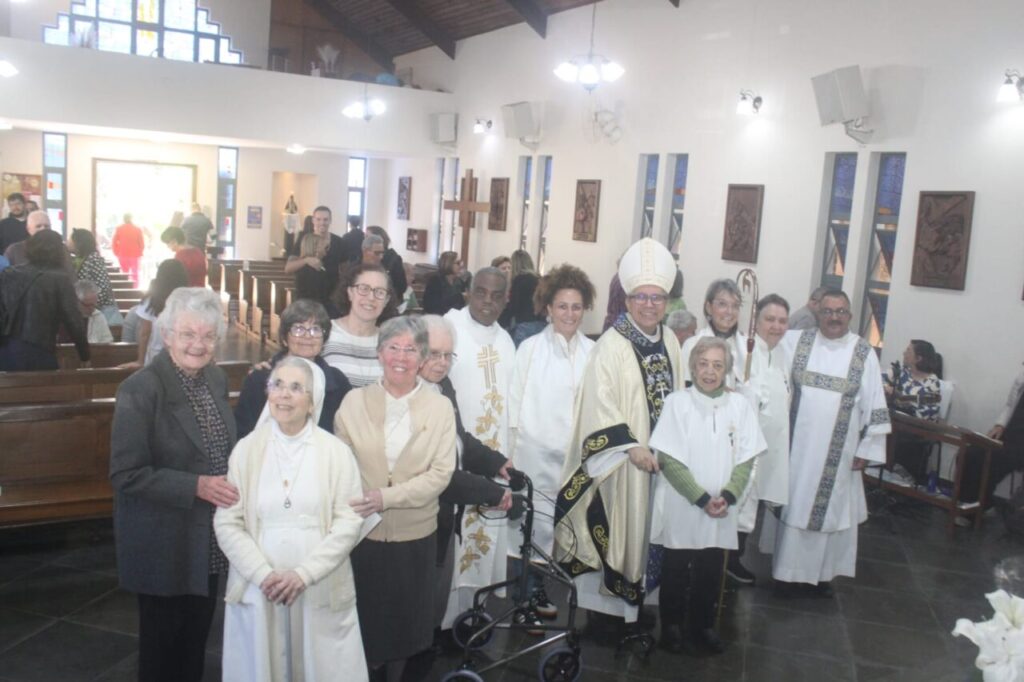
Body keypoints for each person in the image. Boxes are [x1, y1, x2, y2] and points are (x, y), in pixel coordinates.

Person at [110, 287, 237, 682]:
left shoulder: (214, 378)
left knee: (194, 642)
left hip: (206, 538)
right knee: (162, 652)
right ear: (167, 336)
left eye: (207, 336)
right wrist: (196, 486)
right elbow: (126, 474)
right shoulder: (142, 389)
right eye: (188, 334)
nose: (198, 345)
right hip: (163, 539)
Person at [554, 237, 683, 627]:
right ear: (627, 300)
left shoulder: (672, 340)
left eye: (656, 298)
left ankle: (639, 609)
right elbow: (598, 403)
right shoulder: (610, 345)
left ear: (666, 302)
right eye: (641, 297)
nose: (649, 305)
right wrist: (629, 447)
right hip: (622, 467)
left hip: (662, 464)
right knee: (619, 531)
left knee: (652, 534)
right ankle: (606, 618)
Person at [216, 357, 367, 682]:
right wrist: (262, 574)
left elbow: (349, 522)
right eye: (277, 385)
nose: (284, 395)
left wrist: (303, 574)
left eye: (296, 388)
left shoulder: (336, 453)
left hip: (318, 583)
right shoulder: (246, 450)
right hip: (260, 586)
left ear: (313, 401)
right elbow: (228, 522)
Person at [334, 316, 456, 682]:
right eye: (393, 348)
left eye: (411, 349)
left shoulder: (439, 408)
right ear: (379, 353)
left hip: (414, 537)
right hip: (364, 536)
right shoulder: (354, 402)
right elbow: (340, 464)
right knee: (365, 627)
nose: (401, 357)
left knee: (405, 633)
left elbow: (440, 475)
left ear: (421, 357)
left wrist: (385, 497)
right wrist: (361, 500)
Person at [766, 289, 890, 597]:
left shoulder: (863, 353)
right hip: (797, 451)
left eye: (841, 311)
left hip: (840, 454)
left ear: (850, 315)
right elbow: (766, 363)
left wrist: (867, 449)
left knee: (832, 513)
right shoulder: (797, 341)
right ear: (817, 312)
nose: (834, 317)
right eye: (828, 311)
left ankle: (821, 577)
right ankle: (785, 574)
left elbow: (875, 402)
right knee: (794, 505)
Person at [649, 337, 764, 655]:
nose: (710, 372)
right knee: (676, 566)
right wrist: (701, 498)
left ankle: (703, 625)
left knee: (711, 569)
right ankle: (671, 625)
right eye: (703, 364)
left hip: (721, 508)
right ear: (693, 366)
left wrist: (727, 496)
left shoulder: (739, 406)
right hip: (685, 503)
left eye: (717, 365)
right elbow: (668, 460)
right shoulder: (677, 403)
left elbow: (746, 458)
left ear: (727, 369)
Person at [508, 264, 596, 623]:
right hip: (534, 452)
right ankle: (526, 597)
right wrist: (511, 452)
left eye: (576, 307)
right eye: (562, 306)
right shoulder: (530, 348)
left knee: (570, 528)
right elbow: (514, 401)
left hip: (575, 457)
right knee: (534, 526)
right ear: (548, 308)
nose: (569, 314)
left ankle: (556, 587)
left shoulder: (593, 352)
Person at [418, 315, 510, 638]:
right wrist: (491, 492)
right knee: (417, 605)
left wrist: (497, 462)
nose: (442, 363)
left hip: (445, 515)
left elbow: (459, 440)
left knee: (435, 596)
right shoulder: (411, 397)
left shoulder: (443, 385)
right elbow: (437, 472)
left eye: (447, 355)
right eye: (433, 353)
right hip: (419, 519)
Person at [441, 267, 516, 629]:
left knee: (481, 536)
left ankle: (472, 611)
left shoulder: (506, 341)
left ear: (506, 299)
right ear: (468, 292)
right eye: (481, 292)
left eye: (496, 295)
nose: (488, 302)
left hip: (492, 454)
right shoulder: (448, 328)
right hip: (454, 452)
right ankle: (441, 617)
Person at [732, 294, 792, 583]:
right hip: (746, 446)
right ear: (756, 321)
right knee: (741, 500)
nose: (776, 326)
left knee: (753, 502)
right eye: (770, 319)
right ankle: (728, 560)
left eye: (782, 321)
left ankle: (737, 556)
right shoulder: (745, 351)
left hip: (771, 444)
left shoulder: (781, 354)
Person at [235, 299, 352, 439]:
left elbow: (345, 434)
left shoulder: (338, 383)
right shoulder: (259, 379)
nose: (307, 336)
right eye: (298, 329)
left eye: (315, 329)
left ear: (324, 339)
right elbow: (243, 433)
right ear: (285, 338)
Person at [0, 230, 89, 371]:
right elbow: (73, 320)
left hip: (6, 348)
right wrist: (85, 355)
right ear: (59, 251)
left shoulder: (8, 273)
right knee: (42, 391)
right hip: (39, 349)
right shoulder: (60, 279)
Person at [322, 263, 397, 387]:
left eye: (379, 292)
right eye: (364, 288)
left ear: (386, 300)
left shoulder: (390, 342)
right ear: (350, 292)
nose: (371, 297)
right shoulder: (326, 332)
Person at [961, 365, 1024, 509]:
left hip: (1020, 444)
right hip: (1008, 434)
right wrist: (999, 425)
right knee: (971, 453)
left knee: (994, 461)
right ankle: (966, 502)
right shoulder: (1022, 376)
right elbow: (1010, 405)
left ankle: (980, 505)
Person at [681, 279, 749, 389]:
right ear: (708, 307)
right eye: (722, 304)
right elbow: (686, 388)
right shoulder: (692, 345)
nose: (730, 311)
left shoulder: (747, 347)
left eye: (735, 306)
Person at [122, 259, 190, 368]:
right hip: (182, 355)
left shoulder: (152, 299)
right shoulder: (189, 299)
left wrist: (140, 361)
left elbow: (145, 333)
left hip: (155, 357)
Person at [285, 206, 352, 297]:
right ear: (313, 220)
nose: (322, 223)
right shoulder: (303, 239)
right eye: (318, 219)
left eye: (325, 219)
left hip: (330, 296)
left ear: (330, 220)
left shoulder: (339, 242)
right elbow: (288, 268)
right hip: (305, 295)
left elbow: (345, 271)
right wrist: (306, 260)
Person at [70, 227, 123, 327]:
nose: (68, 243)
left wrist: (90, 305)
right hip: (90, 310)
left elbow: (103, 287)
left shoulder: (93, 259)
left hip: (103, 311)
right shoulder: (78, 259)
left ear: (78, 243)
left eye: (71, 240)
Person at [292, 232, 339, 317]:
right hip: (311, 310)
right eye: (324, 247)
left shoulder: (314, 266)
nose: (326, 250)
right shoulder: (310, 269)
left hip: (313, 306)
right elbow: (315, 296)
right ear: (315, 248)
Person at [498, 249, 542, 331]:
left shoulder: (519, 280)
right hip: (540, 323)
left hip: (524, 324)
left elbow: (513, 306)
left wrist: (500, 322)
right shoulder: (538, 279)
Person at [367, 225, 408, 301]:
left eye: (367, 237)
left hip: (387, 303)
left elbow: (401, 286)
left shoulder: (393, 259)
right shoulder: (365, 258)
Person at [422, 251, 465, 316]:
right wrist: (459, 297)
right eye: (458, 263)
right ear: (448, 264)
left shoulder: (459, 282)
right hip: (438, 318)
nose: (461, 266)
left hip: (455, 319)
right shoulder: (435, 281)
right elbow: (431, 307)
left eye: (461, 263)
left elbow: (461, 305)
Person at [112, 213, 146, 287]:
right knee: (135, 274)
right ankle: (135, 290)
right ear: (132, 218)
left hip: (123, 254)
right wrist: (140, 251)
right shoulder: (137, 229)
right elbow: (142, 243)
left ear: (123, 219)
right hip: (135, 254)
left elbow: (114, 242)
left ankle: (126, 289)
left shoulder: (119, 228)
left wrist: (116, 252)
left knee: (125, 273)